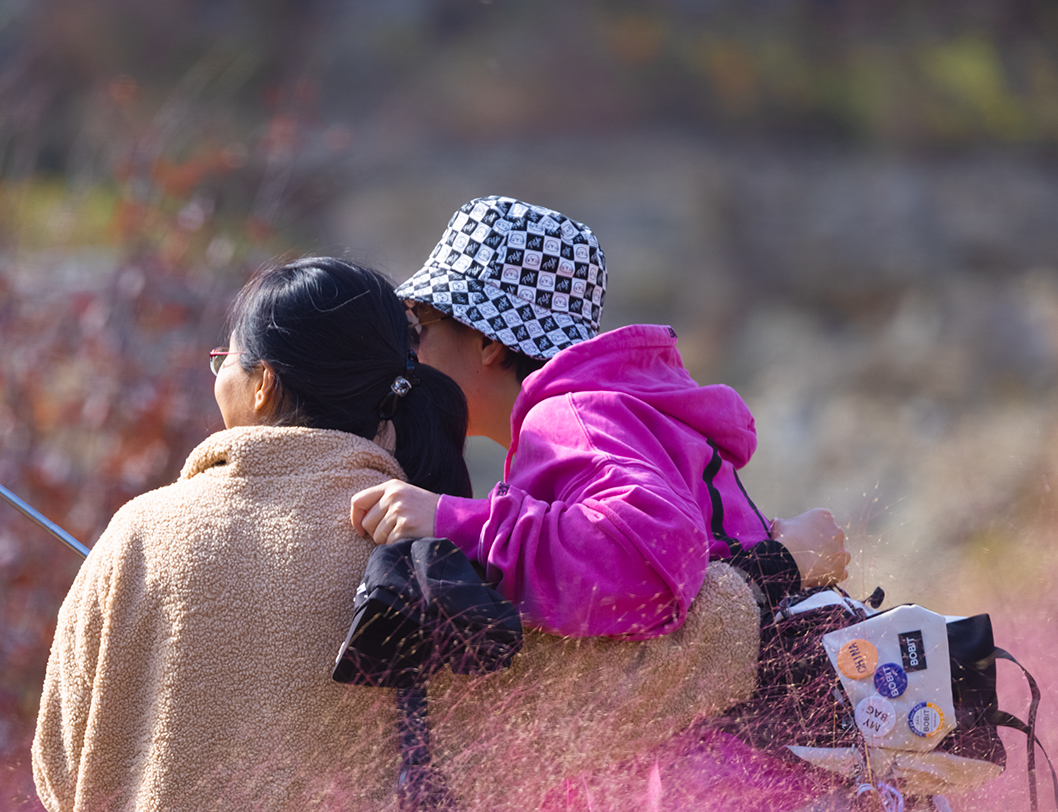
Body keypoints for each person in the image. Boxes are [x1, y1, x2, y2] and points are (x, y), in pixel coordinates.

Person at [30, 257, 472, 812]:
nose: (217, 377)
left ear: (263, 386)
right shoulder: (421, 551)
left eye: (224, 361)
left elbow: (64, 777)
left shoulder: (138, 535)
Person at [351, 195, 849, 640]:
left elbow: (647, 560)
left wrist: (453, 522)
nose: (410, 353)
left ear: (488, 342)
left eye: (422, 325)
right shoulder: (609, 409)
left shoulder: (568, 416)